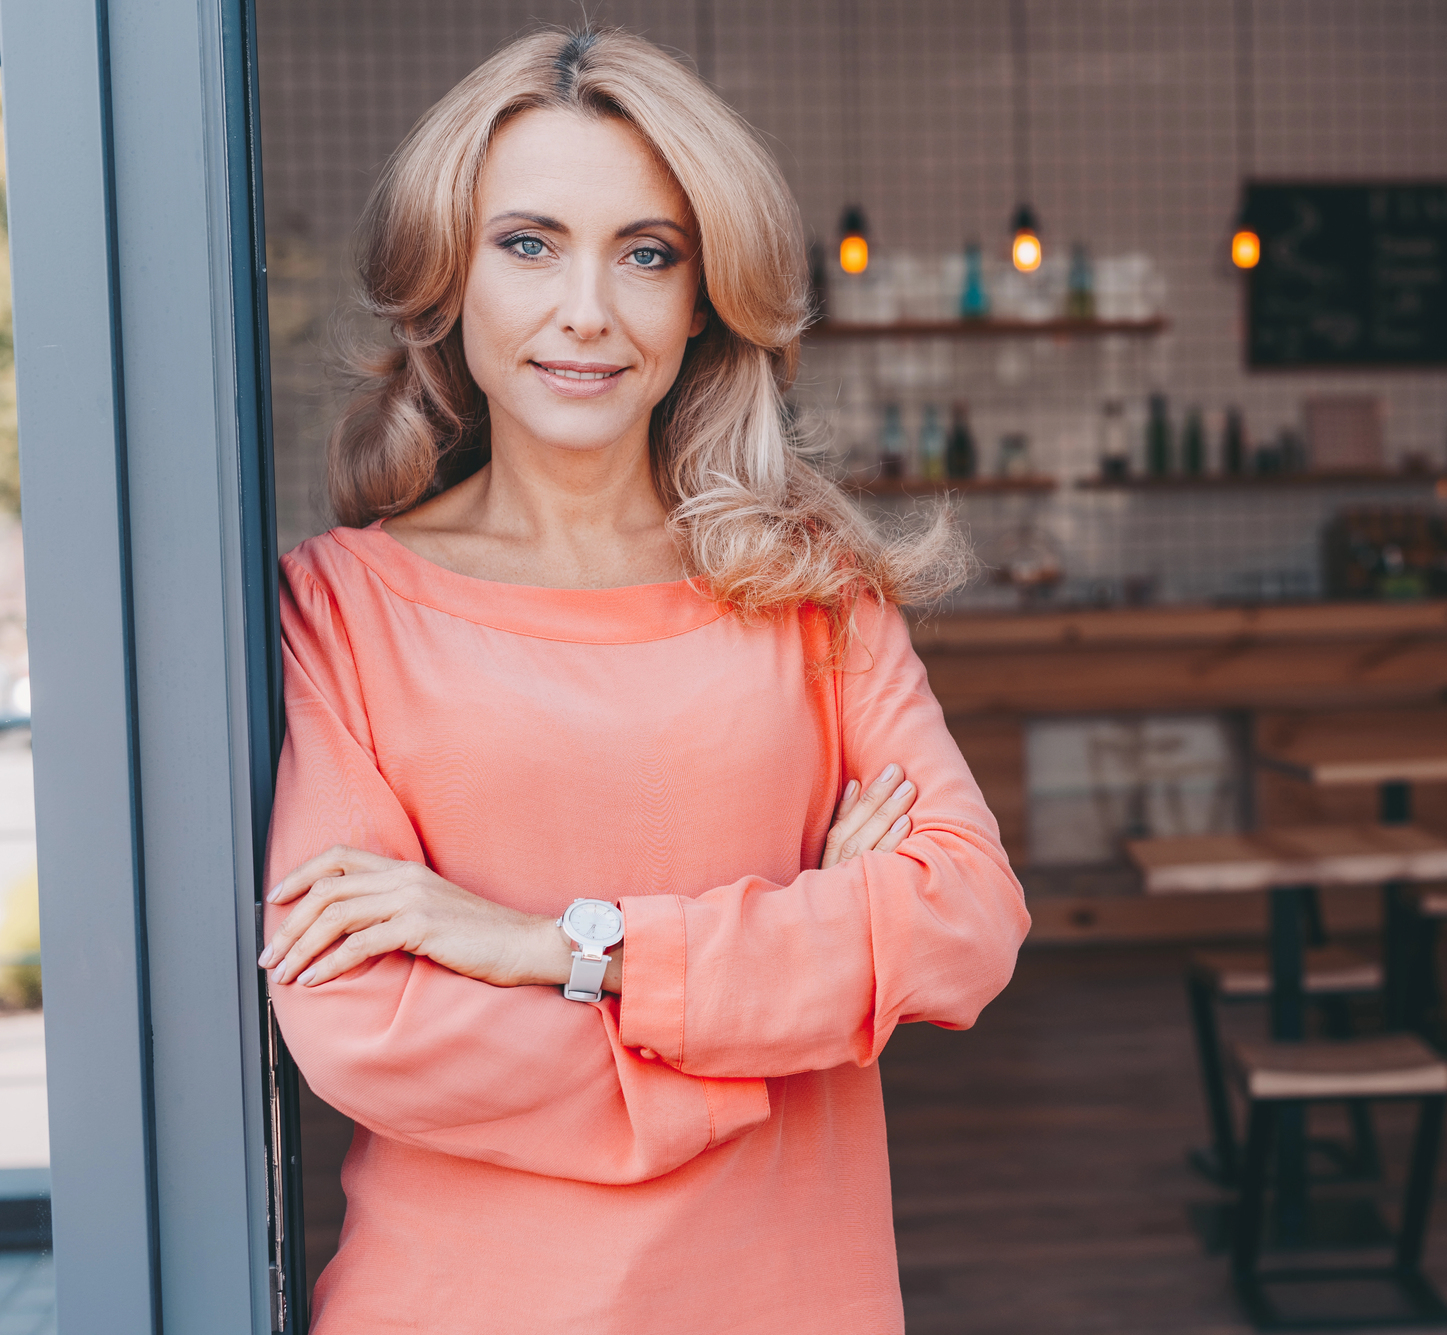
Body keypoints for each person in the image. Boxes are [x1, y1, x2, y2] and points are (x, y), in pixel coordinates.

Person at [257, 27, 1029, 1333]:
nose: (587, 312)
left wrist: (556, 948)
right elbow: (363, 1019)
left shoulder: (811, 587)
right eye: (529, 243)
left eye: (648, 254)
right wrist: (772, 1022)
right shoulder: (341, 608)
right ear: (446, 277)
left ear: (703, 296)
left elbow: (963, 920)